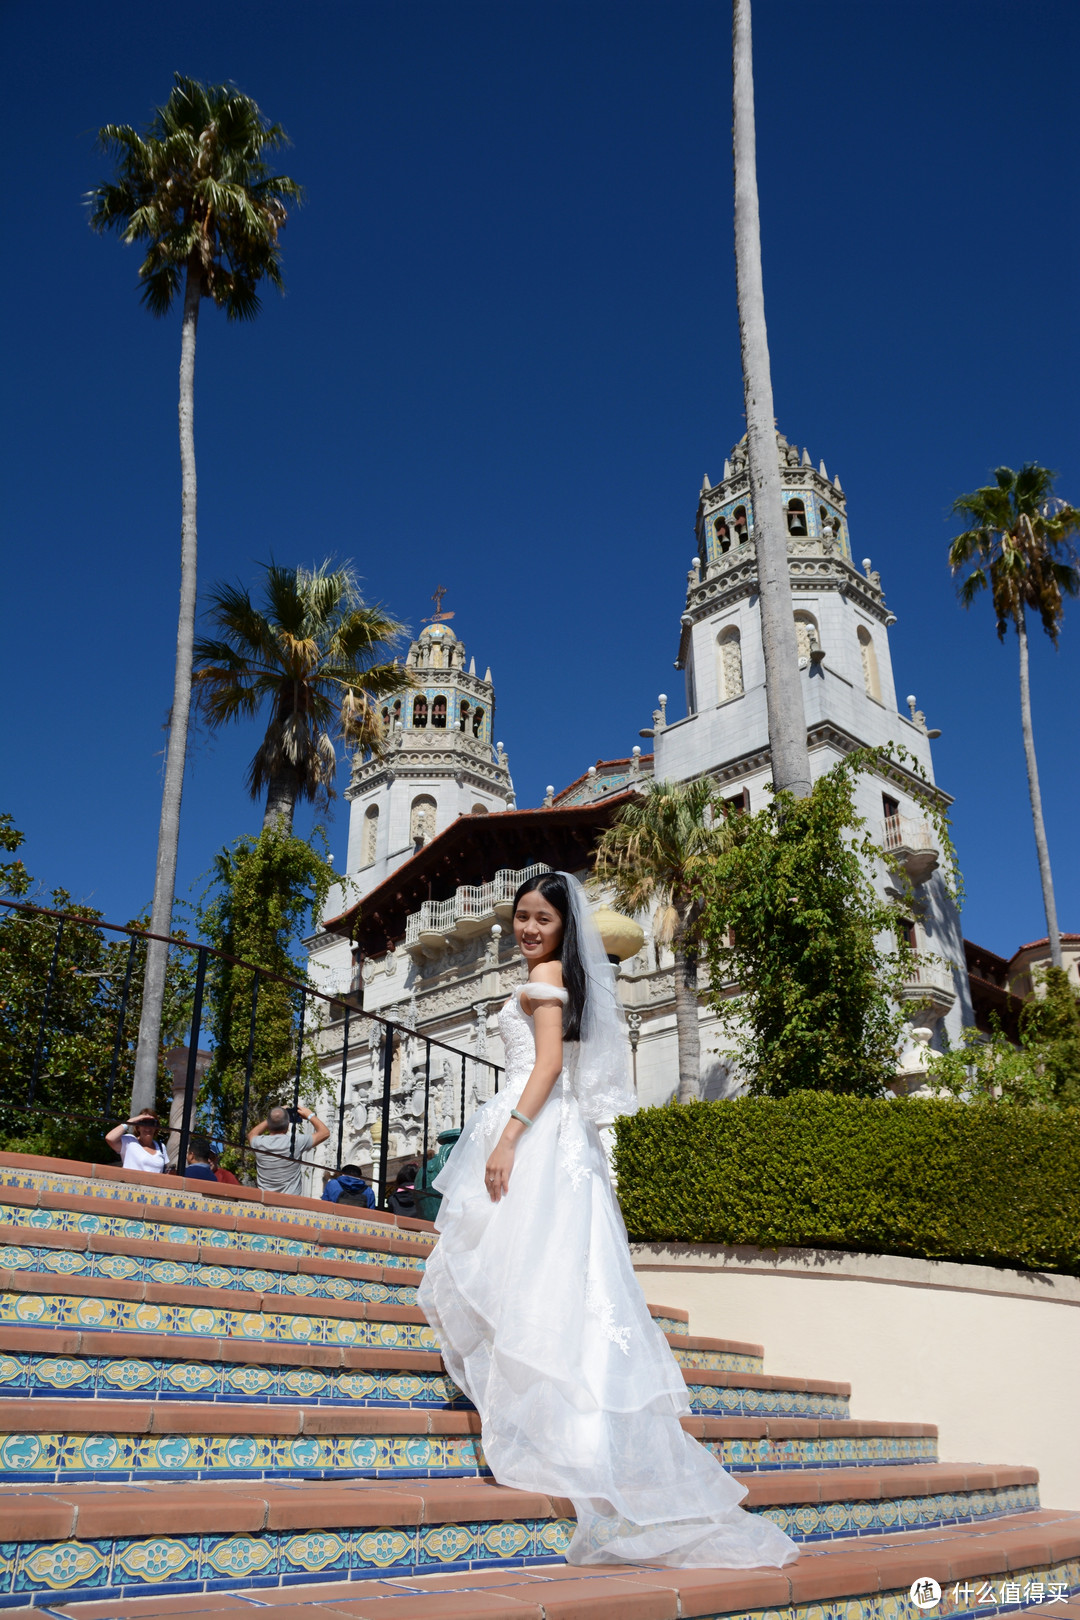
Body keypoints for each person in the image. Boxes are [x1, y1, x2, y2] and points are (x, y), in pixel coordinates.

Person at [417, 871, 798, 1571]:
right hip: (558, 1138)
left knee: (529, 1271)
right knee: (551, 1276)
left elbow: (550, 1062)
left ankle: (557, 1428)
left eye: (542, 919)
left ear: (564, 928)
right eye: (523, 917)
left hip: (534, 1130)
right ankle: (565, 1423)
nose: (529, 929)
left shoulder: (547, 978)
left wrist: (508, 1138)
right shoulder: (555, 974)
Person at [248, 1104, 329, 1197]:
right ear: (288, 1124)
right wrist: (309, 1115)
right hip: (290, 1202)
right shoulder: (295, 1142)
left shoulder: (259, 1143)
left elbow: (252, 1134)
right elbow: (325, 1133)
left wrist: (274, 1117)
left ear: (269, 1124)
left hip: (265, 1199)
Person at [105, 1111, 169, 1174]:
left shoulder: (161, 1146)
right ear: (138, 1127)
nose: (148, 1127)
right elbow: (110, 1138)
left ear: (156, 1127)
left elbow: (164, 1171)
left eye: (152, 1123)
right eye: (144, 1122)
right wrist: (130, 1121)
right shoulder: (129, 1141)